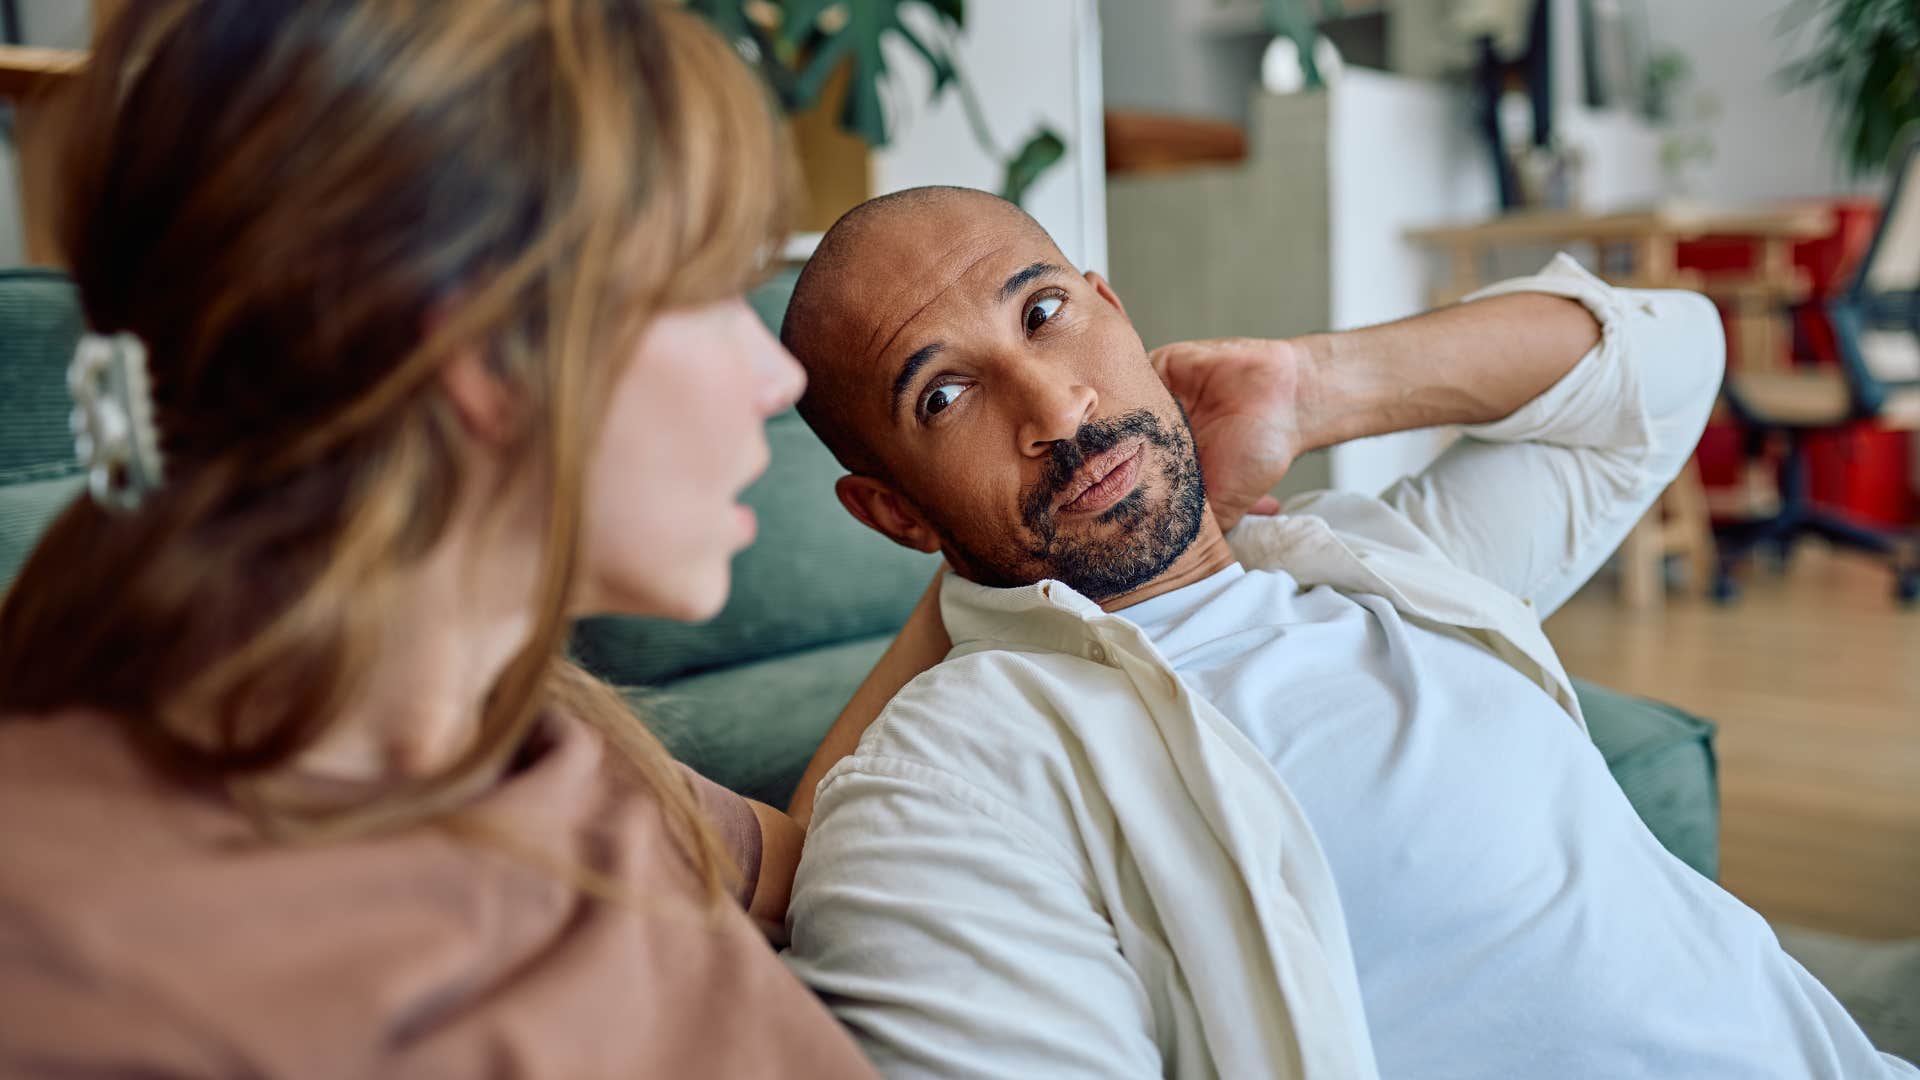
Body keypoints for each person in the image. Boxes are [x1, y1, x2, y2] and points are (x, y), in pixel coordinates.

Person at [775, 186, 1917, 1079]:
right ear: (892, 511)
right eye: (945, 396)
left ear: (1113, 309)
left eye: (1044, 314)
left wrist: (1315, 383)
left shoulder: (1377, 557)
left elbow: (1672, 357)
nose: (1059, 407)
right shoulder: (953, 778)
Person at [0, 3, 902, 1076]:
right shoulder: (92, 977)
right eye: (711, 293)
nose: (778, 379)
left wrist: (996, 572)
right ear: (488, 358)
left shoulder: (549, 743)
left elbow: (836, 867)